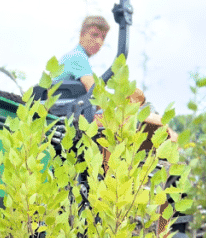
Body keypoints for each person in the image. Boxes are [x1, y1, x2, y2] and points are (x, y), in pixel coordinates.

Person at [57, 14, 177, 142]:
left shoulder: (73, 58)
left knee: (137, 102)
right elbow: (96, 94)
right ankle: (166, 136)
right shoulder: (77, 57)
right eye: (95, 35)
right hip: (71, 117)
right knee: (135, 110)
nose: (99, 41)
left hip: (74, 112)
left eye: (103, 37)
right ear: (82, 34)